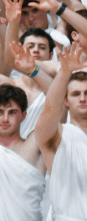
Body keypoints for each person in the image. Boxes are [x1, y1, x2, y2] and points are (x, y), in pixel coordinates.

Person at [34, 43, 87, 220]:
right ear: (65, 100)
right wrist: (64, 73)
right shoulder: (55, 136)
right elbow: (48, 111)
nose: (82, 98)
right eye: (75, 94)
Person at [0, 84, 46, 221]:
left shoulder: (34, 146)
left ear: (23, 115)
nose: (5, 119)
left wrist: (34, 71)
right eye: (0, 112)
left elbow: (59, 107)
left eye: (12, 112)